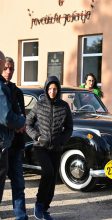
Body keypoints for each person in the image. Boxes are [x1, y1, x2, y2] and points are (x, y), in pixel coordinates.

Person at [26, 76, 73, 220]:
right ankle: (39, 204)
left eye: (55, 89)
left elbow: (69, 128)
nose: (52, 91)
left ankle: (45, 209)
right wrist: (38, 137)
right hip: (41, 147)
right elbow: (28, 124)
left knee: (53, 179)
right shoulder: (39, 105)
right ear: (46, 89)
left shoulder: (64, 106)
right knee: (48, 172)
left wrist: (62, 141)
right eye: (50, 88)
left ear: (58, 90)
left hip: (56, 148)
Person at [2, 57, 28, 220]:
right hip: (2, 144)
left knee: (18, 183)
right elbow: (6, 117)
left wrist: (20, 124)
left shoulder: (17, 91)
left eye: (11, 68)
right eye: (6, 68)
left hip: (16, 146)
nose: (9, 72)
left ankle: (21, 216)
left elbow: (22, 116)